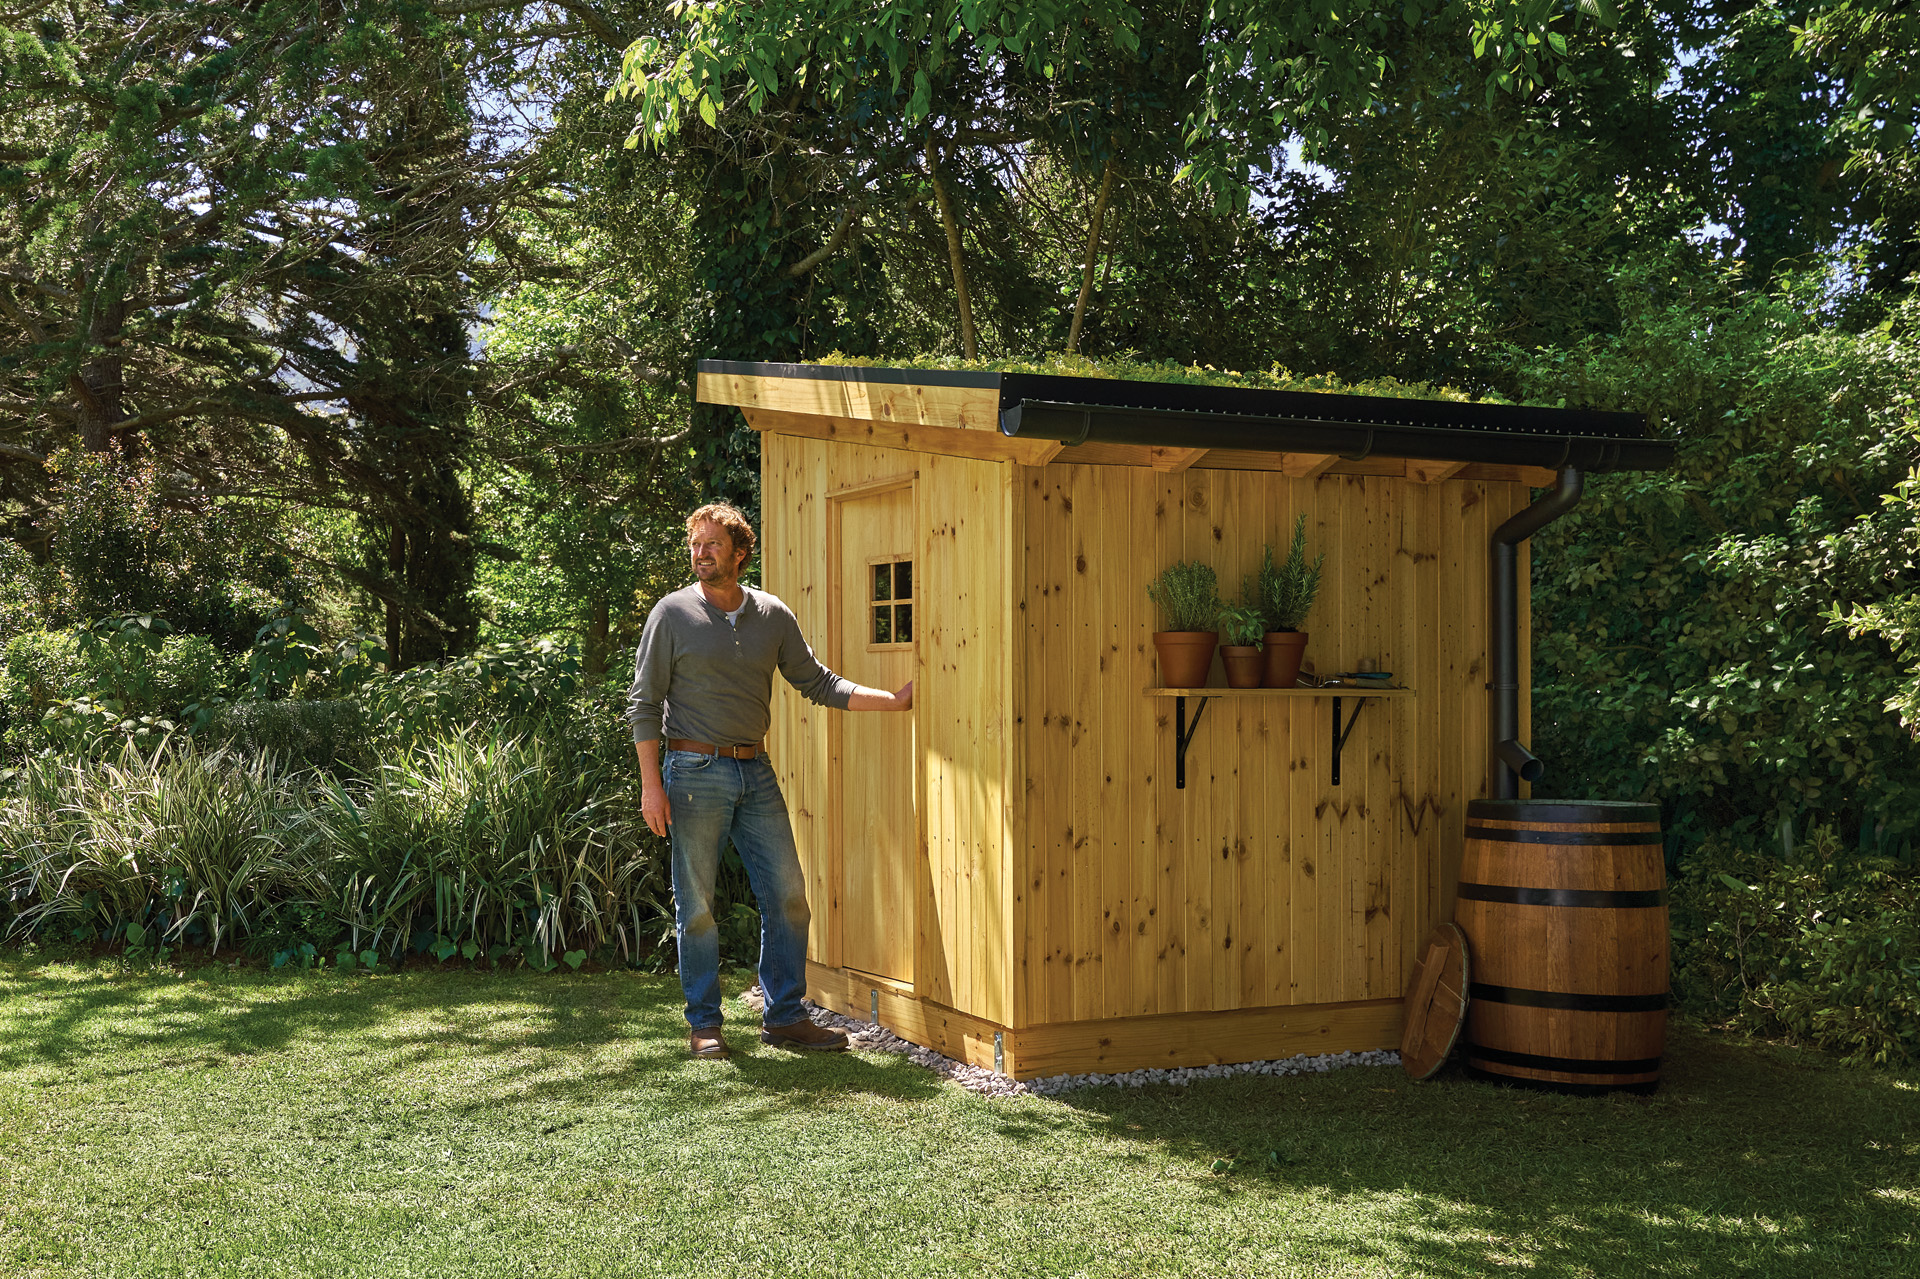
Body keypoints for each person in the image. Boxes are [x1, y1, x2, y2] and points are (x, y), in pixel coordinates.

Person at [628, 502, 913, 1060]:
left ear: (739, 551)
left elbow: (818, 682)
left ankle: (784, 1017)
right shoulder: (671, 614)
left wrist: (894, 702)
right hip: (691, 771)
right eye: (695, 544)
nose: (700, 553)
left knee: (787, 897)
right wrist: (650, 785)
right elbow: (644, 704)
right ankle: (704, 1024)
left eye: (712, 544)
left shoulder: (772, 616)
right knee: (698, 906)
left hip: (754, 769)